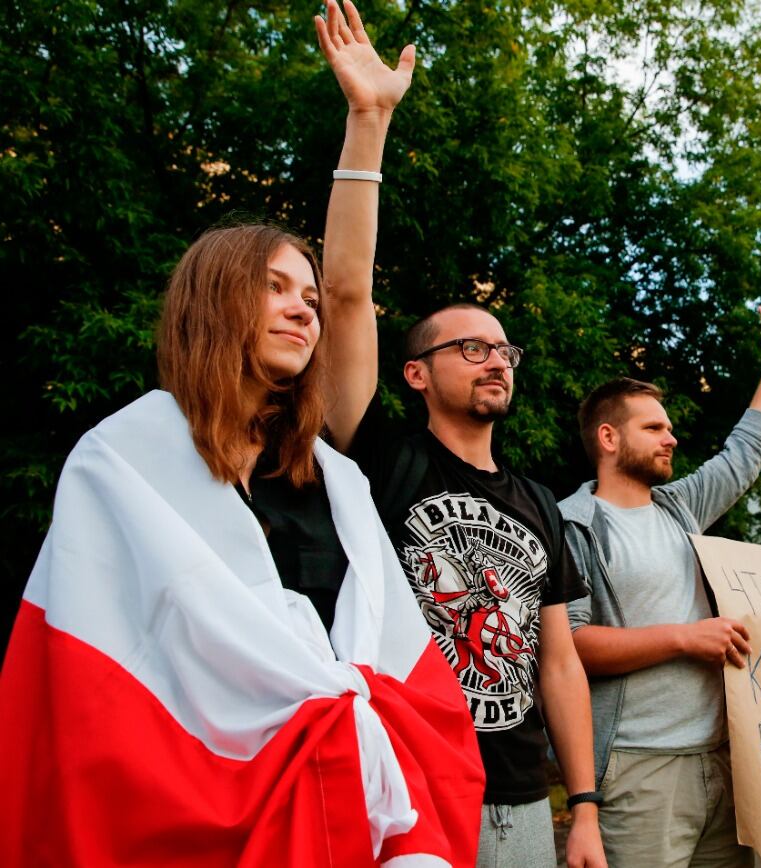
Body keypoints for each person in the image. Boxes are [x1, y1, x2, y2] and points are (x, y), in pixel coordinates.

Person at [0, 228, 484, 858]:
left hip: (354, 799)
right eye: (273, 287)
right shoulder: (121, 460)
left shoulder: (336, 483)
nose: (302, 309)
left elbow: (393, 650)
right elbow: (93, 676)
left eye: (309, 298)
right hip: (186, 803)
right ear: (211, 302)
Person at [313, 3, 604, 864]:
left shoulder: (540, 504)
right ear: (416, 373)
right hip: (403, 782)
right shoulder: (378, 459)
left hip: (517, 802)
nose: (496, 360)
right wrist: (369, 121)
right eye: (469, 347)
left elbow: (559, 663)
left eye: (504, 348)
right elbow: (345, 296)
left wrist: (581, 808)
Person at [559, 308, 761, 868]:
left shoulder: (681, 507)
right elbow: (570, 646)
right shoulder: (570, 524)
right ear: (609, 437)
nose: (672, 437)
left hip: (722, 758)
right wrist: (686, 639)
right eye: (654, 428)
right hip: (637, 767)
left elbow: (743, 455)